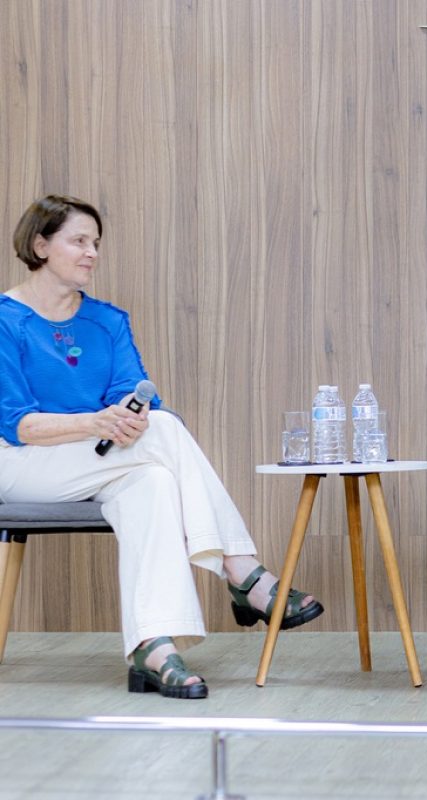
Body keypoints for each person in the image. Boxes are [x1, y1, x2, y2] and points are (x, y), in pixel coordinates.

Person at [0, 195, 324, 699]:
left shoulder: (107, 321)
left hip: (101, 459)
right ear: (40, 245)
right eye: (79, 241)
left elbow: (135, 395)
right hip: (23, 464)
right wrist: (96, 423)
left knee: (152, 479)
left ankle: (153, 646)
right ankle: (243, 572)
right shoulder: (6, 319)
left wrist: (127, 417)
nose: (92, 253)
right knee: (167, 433)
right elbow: (17, 424)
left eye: (96, 243)